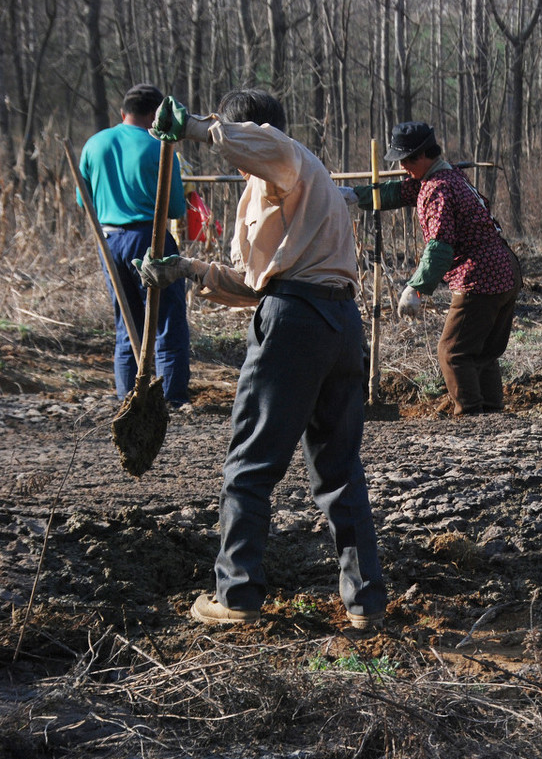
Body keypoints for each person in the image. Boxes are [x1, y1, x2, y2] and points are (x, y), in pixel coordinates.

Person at [136, 89, 387, 630]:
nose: (233, 155)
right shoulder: (281, 189)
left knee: (248, 467)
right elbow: (258, 285)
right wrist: (187, 269)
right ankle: (366, 603)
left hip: (296, 324)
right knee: (340, 470)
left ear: (253, 134)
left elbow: (258, 144)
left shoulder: (287, 155)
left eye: (234, 139)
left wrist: (196, 127)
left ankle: (237, 595)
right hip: (339, 324)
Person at [353, 122, 522, 416]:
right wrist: (355, 196)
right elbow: (400, 192)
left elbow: (440, 245)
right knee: (482, 352)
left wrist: (416, 287)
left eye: (407, 160)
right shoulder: (448, 175)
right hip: (506, 271)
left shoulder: (437, 188)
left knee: (453, 352)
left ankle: (471, 416)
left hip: (480, 277)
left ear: (423, 155)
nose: (402, 167)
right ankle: (492, 414)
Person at [77, 83, 190, 406]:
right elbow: (176, 209)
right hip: (150, 239)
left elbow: (83, 201)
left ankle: (127, 398)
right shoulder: (160, 147)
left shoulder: (93, 144)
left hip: (109, 241)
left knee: (126, 322)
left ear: (122, 112)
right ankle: (171, 398)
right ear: (156, 115)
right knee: (167, 321)